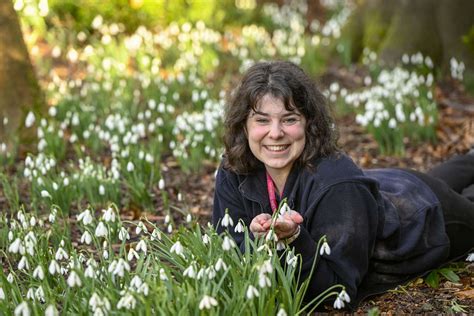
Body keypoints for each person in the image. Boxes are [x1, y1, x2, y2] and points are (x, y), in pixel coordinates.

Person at [212, 60, 474, 309]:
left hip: (423, 217)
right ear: (244, 126)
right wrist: (261, 244)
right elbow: (231, 250)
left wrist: (292, 239)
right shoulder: (234, 170)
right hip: (385, 186)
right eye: (262, 120)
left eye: (289, 119)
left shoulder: (338, 184)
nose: (276, 132)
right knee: (446, 175)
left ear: (309, 124)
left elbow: (338, 290)